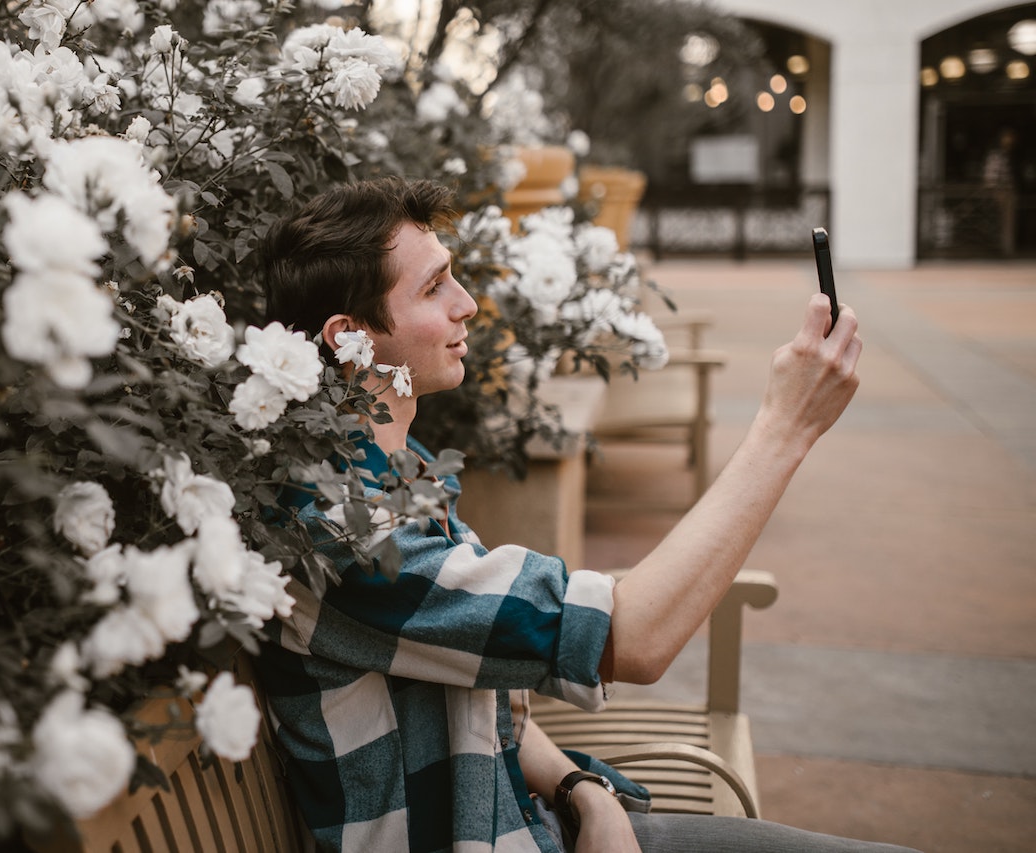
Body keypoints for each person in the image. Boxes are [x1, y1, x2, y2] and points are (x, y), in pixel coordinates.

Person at [255, 177, 919, 853]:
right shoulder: (343, 527)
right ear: (349, 337)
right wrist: (785, 429)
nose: (469, 305)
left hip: (534, 822)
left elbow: (471, 675)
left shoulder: (394, 470)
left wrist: (584, 792)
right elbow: (631, 639)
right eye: (434, 289)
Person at [982, 128, 1017, 256]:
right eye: (1007, 137)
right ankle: (1001, 249)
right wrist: (994, 192)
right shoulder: (996, 155)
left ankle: (1006, 248)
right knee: (1000, 222)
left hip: (1006, 193)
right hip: (1001, 193)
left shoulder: (1007, 154)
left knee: (1006, 223)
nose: (1010, 140)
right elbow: (990, 177)